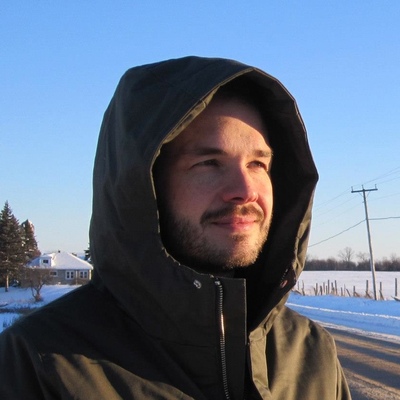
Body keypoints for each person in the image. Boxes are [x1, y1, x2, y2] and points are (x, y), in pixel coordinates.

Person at [0, 56, 351, 399]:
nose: (245, 190)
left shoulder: (313, 354)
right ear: (142, 187)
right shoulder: (39, 364)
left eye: (258, 164)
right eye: (209, 163)